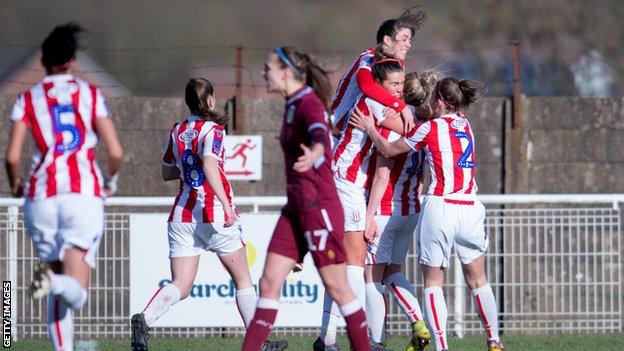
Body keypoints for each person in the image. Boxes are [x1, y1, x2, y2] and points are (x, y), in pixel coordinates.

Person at [130, 78, 286, 351]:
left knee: (181, 284)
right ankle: (258, 343)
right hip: (213, 214)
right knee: (243, 280)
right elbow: (211, 165)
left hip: (182, 215)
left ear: (189, 102)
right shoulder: (213, 129)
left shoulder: (177, 130)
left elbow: (167, 171)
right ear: (210, 100)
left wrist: (188, 169)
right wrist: (226, 206)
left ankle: (145, 318)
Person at [349, 77, 505, 351]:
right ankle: (494, 340)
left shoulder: (430, 129)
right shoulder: (466, 125)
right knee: (479, 279)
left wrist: (371, 128)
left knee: (433, 282)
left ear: (442, 102)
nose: (430, 102)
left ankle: (441, 347)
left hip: (441, 206)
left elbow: (388, 149)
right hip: (471, 207)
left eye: (434, 98)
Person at [241, 47, 370, 351]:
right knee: (269, 283)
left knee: (339, 288)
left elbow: (320, 134)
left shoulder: (308, 103)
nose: (262, 73)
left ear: (285, 72)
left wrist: (317, 151)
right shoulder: (290, 104)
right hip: (295, 210)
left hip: (318, 208)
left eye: (267, 68)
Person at [4, 23, 124, 351]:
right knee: (76, 292)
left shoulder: (27, 98)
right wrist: (110, 181)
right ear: (72, 60)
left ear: (42, 60)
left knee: (57, 282)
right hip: (82, 194)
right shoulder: (91, 94)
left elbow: (12, 156)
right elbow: (115, 152)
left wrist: (15, 184)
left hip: (40, 197)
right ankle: (53, 281)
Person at [317, 8, 426, 350]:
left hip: (348, 174)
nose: (399, 90)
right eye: (403, 39)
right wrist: (420, 114)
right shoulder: (370, 74)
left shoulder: (383, 86)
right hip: (341, 174)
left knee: (350, 261)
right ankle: (359, 339)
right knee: (355, 259)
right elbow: (403, 127)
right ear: (385, 42)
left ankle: (329, 339)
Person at [363, 71, 439, 351]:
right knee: (393, 272)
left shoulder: (395, 129)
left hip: (386, 211)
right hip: (411, 210)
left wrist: (368, 218)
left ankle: (376, 342)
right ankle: (418, 324)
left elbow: (382, 176)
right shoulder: (426, 127)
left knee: (372, 277)